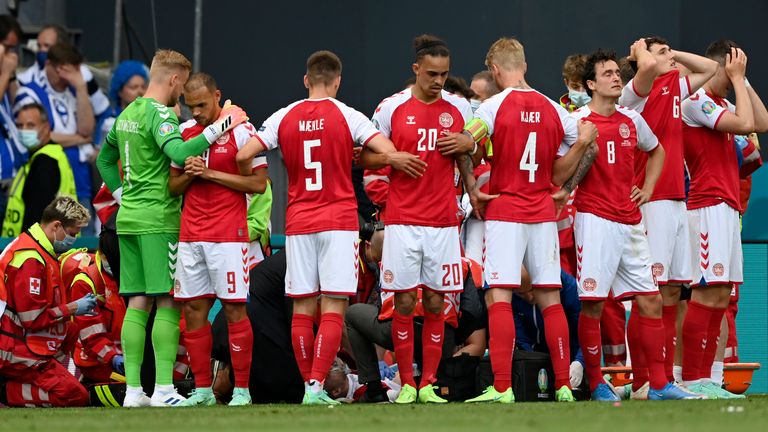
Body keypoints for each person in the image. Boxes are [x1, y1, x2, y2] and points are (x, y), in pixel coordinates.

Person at [236, 50, 425, 405]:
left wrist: (252, 180)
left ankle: (310, 385)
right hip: (338, 221)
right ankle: (315, 388)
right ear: (338, 81)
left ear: (306, 80)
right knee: (334, 306)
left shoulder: (283, 116)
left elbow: (244, 155)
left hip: (298, 221)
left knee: (303, 308)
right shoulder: (349, 115)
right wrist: (385, 156)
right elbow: (385, 149)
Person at [440, 37, 595, 404]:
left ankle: (503, 387)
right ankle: (562, 385)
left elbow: (467, 141)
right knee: (550, 297)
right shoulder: (554, 110)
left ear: (494, 70)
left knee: (499, 295)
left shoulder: (492, 107)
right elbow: (586, 143)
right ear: (523, 65)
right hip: (543, 212)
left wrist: (466, 175)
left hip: (506, 210)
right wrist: (566, 189)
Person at [96, 49, 248, 408]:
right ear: (175, 79)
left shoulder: (127, 113)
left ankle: (134, 392)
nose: (182, 98)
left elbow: (104, 160)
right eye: (181, 89)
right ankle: (163, 389)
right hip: (158, 221)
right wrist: (224, 124)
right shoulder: (161, 115)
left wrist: (122, 196)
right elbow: (180, 156)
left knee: (136, 302)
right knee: (167, 302)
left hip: (128, 222)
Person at [561, 49, 698, 401]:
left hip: (630, 221)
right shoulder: (575, 121)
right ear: (591, 84)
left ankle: (657, 384)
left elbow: (658, 150)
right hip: (594, 221)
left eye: (616, 72)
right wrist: (580, 148)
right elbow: (558, 172)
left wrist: (648, 188)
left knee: (651, 301)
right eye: (606, 74)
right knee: (592, 303)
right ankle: (595, 384)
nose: (615, 77)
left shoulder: (630, 120)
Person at [371, 35, 472, 404]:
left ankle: (427, 383)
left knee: (434, 301)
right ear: (416, 69)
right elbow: (364, 157)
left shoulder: (460, 107)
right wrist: (391, 159)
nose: (439, 81)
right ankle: (405, 383)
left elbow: (479, 144)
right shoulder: (391, 108)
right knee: (401, 302)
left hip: (444, 222)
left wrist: (469, 143)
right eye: (431, 73)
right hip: (402, 221)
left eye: (444, 74)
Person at [618, 37, 718, 397]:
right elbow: (645, 66)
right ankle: (643, 379)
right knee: (649, 292)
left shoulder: (674, 84)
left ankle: (662, 378)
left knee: (673, 291)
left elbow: (710, 68)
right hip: (652, 198)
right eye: (662, 52)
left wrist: (671, 54)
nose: (670, 57)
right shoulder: (637, 91)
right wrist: (643, 53)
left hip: (678, 198)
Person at [168, 72, 268, 407]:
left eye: (201, 104)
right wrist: (191, 174)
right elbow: (173, 187)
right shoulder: (184, 136)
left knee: (233, 310)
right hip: (191, 235)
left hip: (229, 236)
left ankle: (241, 390)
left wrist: (209, 173)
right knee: (194, 310)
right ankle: (202, 391)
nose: (195, 112)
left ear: (217, 96)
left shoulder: (242, 130)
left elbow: (258, 184)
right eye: (189, 105)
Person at [681, 40, 768, 399]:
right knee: (704, 293)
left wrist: (742, 82)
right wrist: (735, 77)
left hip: (728, 206)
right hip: (705, 206)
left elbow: (761, 122)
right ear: (718, 68)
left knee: (720, 296)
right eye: (732, 69)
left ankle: (712, 378)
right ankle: (691, 378)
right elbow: (747, 121)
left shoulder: (722, 103)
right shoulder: (696, 102)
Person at [0, 196, 96, 407]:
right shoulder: (31, 260)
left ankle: (39, 376)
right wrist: (72, 307)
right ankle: (5, 391)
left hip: (16, 338)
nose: (74, 239)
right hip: (11, 345)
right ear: (56, 226)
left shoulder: (34, 247)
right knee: (75, 396)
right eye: (72, 233)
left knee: (70, 329)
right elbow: (33, 319)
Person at [14, 42, 103, 236]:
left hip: (79, 183)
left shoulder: (74, 91)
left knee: (80, 252)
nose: (69, 77)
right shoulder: (31, 92)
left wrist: (80, 87)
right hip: (46, 180)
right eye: (66, 70)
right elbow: (43, 134)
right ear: (51, 66)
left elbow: (87, 129)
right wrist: (80, 138)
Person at [2, 103, 76, 237]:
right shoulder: (53, 154)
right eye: (19, 126)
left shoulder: (45, 162)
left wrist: (27, 251)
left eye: (30, 125)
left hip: (32, 250)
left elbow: (36, 217)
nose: (24, 130)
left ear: (46, 127)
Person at [61, 227, 124, 383]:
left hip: (131, 358)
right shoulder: (87, 281)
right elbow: (91, 334)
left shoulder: (133, 274)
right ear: (101, 254)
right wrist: (113, 357)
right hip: (98, 363)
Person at [512, 269, 585, 390]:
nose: (529, 297)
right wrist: (531, 361)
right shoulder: (511, 293)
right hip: (538, 357)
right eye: (521, 294)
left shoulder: (570, 288)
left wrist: (580, 362)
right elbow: (520, 336)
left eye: (531, 290)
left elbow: (586, 331)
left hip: (571, 357)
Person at [0, 15, 26, 219]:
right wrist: (5, 73)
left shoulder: (5, 75)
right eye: (7, 48)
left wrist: (10, 75)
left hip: (11, 174)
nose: (11, 55)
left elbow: (16, 102)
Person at [95, 60, 149, 146]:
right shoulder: (110, 122)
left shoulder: (152, 118)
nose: (140, 91)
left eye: (143, 87)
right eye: (133, 87)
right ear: (120, 91)